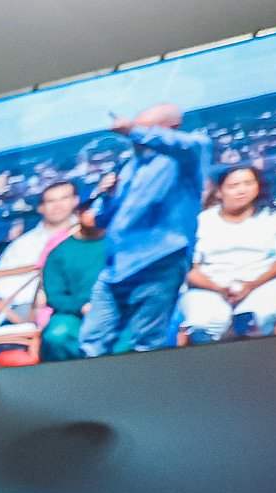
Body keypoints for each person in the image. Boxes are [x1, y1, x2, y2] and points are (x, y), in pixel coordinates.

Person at [78, 103, 211, 357]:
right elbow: (103, 220)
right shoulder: (130, 167)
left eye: (144, 129)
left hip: (158, 263)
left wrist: (134, 130)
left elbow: (186, 145)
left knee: (146, 342)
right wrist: (107, 197)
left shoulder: (188, 155)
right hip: (115, 270)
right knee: (92, 339)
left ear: (172, 128)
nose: (135, 136)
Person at [177, 166, 276, 342]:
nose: (242, 190)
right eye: (233, 186)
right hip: (213, 286)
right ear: (219, 190)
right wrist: (221, 290)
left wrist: (252, 284)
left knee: (257, 315)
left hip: (271, 279)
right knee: (204, 323)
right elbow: (192, 271)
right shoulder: (201, 221)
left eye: (248, 183)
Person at [0, 180, 83, 320]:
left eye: (64, 198)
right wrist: (40, 297)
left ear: (76, 201)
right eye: (51, 201)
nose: (58, 205)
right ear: (41, 208)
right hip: (34, 312)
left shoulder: (92, 235)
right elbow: (1, 288)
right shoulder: (21, 246)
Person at [39, 199, 110, 360]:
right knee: (57, 336)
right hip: (75, 314)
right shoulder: (60, 251)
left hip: (117, 311)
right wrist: (82, 306)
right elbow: (55, 296)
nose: (94, 213)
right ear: (78, 213)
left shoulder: (118, 242)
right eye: (89, 208)